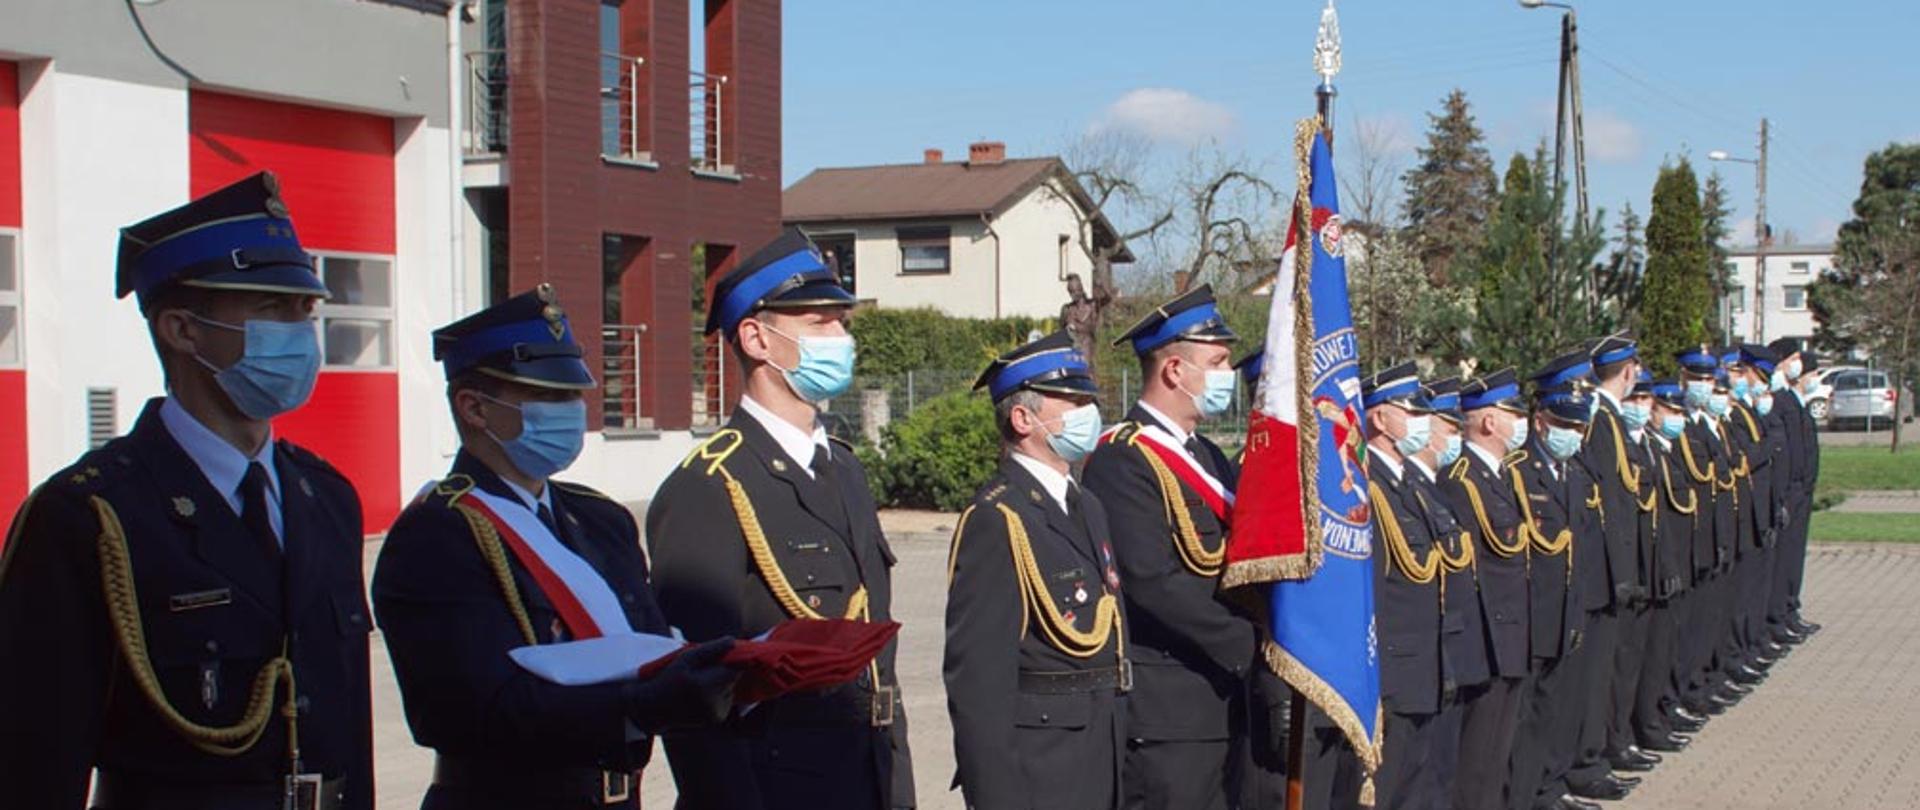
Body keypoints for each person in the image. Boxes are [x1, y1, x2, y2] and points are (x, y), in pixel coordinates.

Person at [0, 172, 374, 808]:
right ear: (181, 329)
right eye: (271, 309)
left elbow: (348, 728)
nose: (300, 330)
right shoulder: (90, 514)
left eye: (305, 309)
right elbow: (33, 760)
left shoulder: (325, 496)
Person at [373, 286, 742, 809]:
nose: (570, 411)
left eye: (573, 395)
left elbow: (649, 642)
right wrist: (638, 706)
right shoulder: (439, 534)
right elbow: (472, 708)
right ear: (474, 407)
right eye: (547, 397)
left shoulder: (600, 519)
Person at [646, 229, 914, 810]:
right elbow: (695, 697)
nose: (841, 338)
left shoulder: (843, 470)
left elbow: (875, 669)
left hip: (864, 777)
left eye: (842, 322)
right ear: (756, 337)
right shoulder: (708, 484)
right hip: (777, 786)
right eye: (820, 323)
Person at [1080, 285, 1269, 810]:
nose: (1227, 375)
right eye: (1217, 361)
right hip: (1170, 709)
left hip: (1222, 698)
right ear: (1175, 371)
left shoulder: (1208, 454)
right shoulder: (1125, 460)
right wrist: (1247, 642)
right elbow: (1151, 581)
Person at [945, 332, 1130, 810]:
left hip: (1101, 753)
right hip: (1041, 769)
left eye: (1087, 398)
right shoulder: (997, 517)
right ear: (1023, 418)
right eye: (1070, 401)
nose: (1087, 412)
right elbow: (979, 689)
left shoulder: (1086, 504)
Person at [1355, 363, 1449, 810]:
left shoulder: (1410, 482)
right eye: (1410, 412)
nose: (1422, 423)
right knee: (1388, 789)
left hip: (1424, 664)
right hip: (1394, 667)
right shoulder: (1365, 486)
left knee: (1415, 784)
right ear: (1378, 418)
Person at [1440, 370, 1533, 810]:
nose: (1523, 422)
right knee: (1476, 762)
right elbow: (1470, 571)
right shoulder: (1461, 479)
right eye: (1515, 414)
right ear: (1490, 422)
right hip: (1487, 640)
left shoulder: (1499, 476)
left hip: (1511, 634)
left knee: (1497, 754)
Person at [1508, 355, 1598, 810]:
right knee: (1526, 717)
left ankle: (1549, 788)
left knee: (1555, 711)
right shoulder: (1521, 472)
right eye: (1565, 424)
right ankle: (1523, 796)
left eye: (1579, 427)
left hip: (1565, 613)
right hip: (1533, 617)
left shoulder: (1574, 474)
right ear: (1540, 421)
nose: (1574, 435)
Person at [1412, 377, 1483, 808]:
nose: (1456, 436)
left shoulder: (1430, 488)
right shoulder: (1395, 490)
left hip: (1444, 648)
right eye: (1447, 426)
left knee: (1437, 770)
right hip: (1416, 655)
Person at [1633, 379, 1702, 753]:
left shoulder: (1665, 449)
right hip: (1656, 569)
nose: (1674, 417)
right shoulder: (1647, 451)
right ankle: (1648, 722)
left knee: (1667, 648)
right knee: (1653, 653)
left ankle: (1662, 710)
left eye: (1679, 411)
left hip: (1675, 564)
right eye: (1667, 409)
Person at [1763, 338, 1822, 641]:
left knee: (1793, 557)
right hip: (1788, 491)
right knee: (1784, 557)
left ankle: (1789, 609)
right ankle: (1777, 616)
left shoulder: (1794, 403)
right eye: (1795, 359)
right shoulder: (1780, 402)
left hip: (1800, 490)